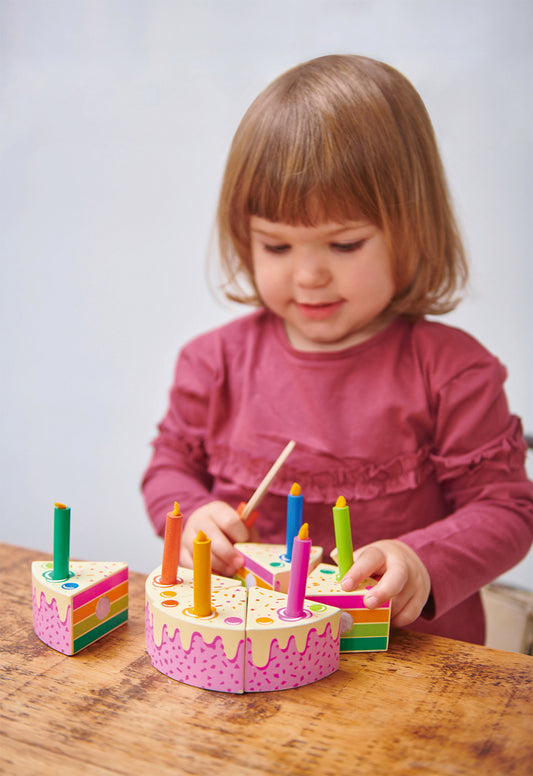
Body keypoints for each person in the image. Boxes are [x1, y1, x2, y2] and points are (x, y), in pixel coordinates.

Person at [142, 55, 533, 645]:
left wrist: (421, 559)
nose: (309, 276)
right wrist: (192, 515)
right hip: (249, 652)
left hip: (407, 669)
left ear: (414, 229)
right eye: (276, 246)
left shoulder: (454, 373)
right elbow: (169, 466)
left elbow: (506, 510)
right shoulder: (212, 364)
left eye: (345, 244)